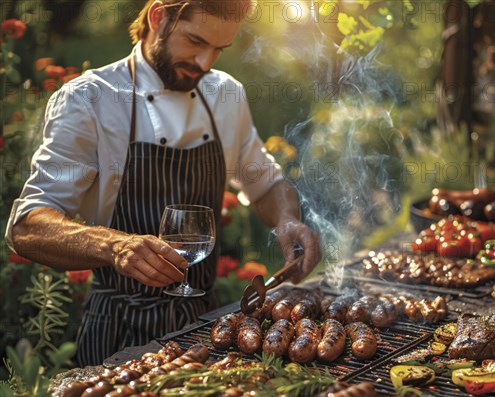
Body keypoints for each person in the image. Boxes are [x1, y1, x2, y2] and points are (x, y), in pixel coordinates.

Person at [5, 0, 321, 366]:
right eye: (195, 42)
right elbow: (27, 226)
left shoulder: (224, 94)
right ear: (158, 17)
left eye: (218, 49)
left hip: (206, 330)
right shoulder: (90, 99)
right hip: (117, 333)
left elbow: (266, 184)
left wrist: (287, 220)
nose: (205, 63)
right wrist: (114, 246)